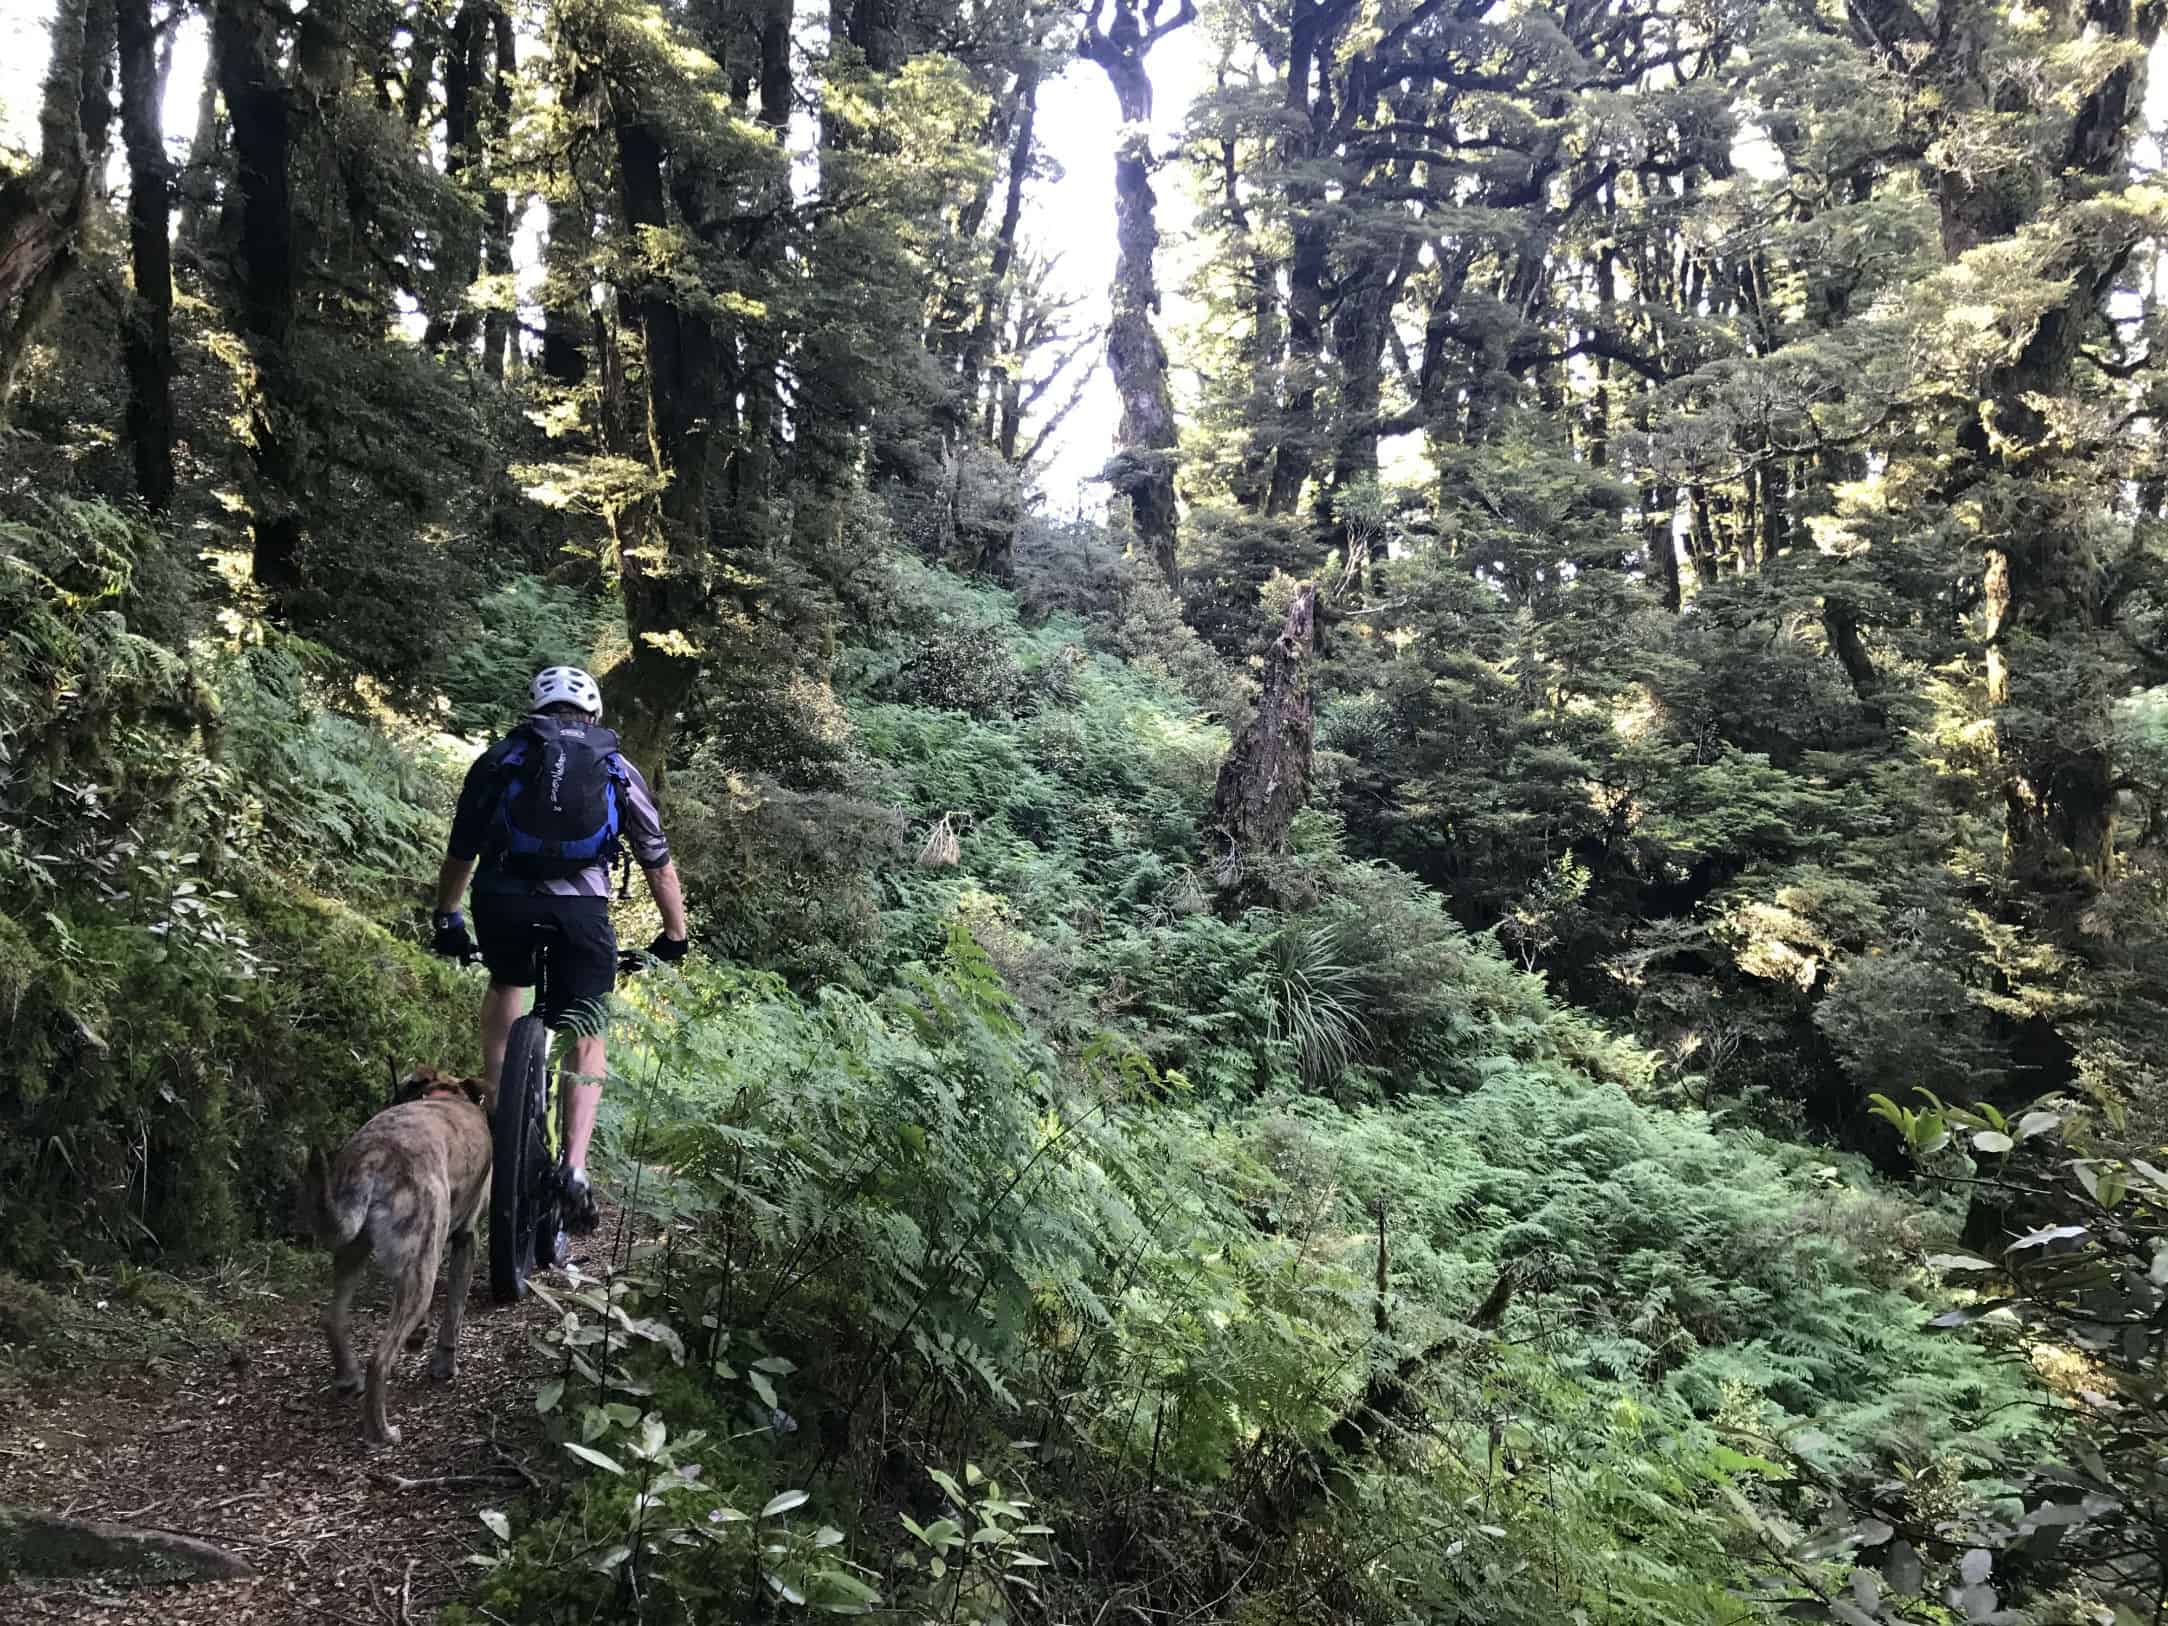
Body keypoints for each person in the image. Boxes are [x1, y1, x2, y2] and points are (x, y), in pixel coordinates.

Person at [428, 666, 688, 1231]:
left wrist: (447, 913)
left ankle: (501, 1104)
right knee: (587, 1028)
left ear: (535, 711)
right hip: (581, 914)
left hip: (503, 904)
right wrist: (675, 936)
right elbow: (657, 861)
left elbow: (462, 848)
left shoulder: (501, 759)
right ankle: (573, 1168)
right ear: (592, 716)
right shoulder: (617, 766)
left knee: (505, 983)